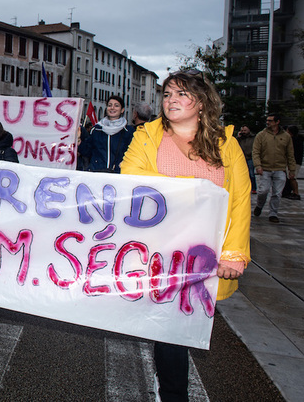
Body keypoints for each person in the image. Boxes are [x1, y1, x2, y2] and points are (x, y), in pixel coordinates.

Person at [120, 69, 250, 401]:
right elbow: (131, 181)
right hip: (161, 252)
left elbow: (238, 200)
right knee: (171, 331)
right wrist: (197, 193)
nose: (171, 100)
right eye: (166, 94)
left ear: (203, 102)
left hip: (206, 256)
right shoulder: (146, 137)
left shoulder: (227, 144)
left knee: (182, 328)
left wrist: (234, 254)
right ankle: (173, 393)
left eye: (181, 94)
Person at [252, 113, 296, 223]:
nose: (268, 122)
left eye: (270, 120)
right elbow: (256, 152)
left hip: (280, 169)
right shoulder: (261, 135)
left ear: (277, 122)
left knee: (277, 193)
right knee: (263, 191)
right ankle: (259, 205)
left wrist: (291, 170)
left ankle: (273, 213)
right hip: (265, 168)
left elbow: (290, 154)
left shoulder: (286, 137)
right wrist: (258, 165)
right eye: (267, 120)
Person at [78, 95, 135, 173]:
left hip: (119, 175)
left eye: (116, 106)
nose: (112, 108)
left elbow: (133, 154)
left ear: (122, 110)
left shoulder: (128, 131)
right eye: (109, 105)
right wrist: (79, 141)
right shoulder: (97, 129)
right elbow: (87, 152)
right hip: (97, 173)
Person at [282, 125, 302, 200]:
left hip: (294, 162)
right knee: (290, 177)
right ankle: (292, 192)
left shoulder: (294, 140)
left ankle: (296, 193)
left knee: (292, 177)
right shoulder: (296, 139)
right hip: (294, 161)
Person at [237, 125, 256, 194]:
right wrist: (238, 137)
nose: (243, 132)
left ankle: (253, 188)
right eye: (242, 131)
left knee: (251, 174)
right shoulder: (240, 138)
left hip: (250, 157)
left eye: (245, 130)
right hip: (242, 158)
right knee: (242, 174)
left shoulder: (253, 138)